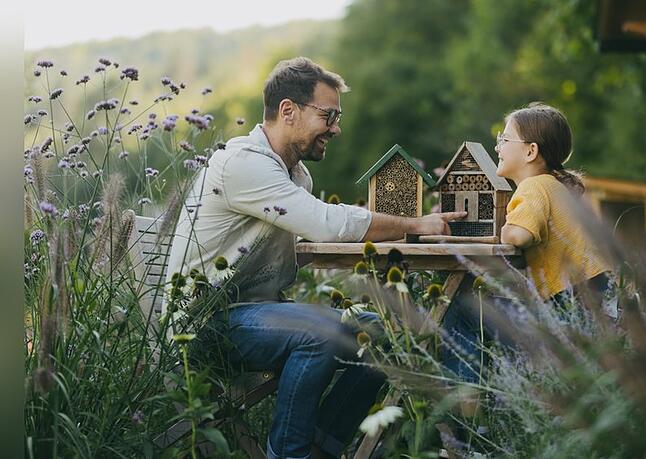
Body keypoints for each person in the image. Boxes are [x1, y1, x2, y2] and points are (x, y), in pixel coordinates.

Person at [165, 57, 466, 459]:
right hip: (204, 324)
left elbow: (317, 231)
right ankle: (289, 454)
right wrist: (415, 224)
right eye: (329, 115)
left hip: (256, 314)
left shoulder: (295, 174)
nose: (336, 128)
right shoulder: (244, 164)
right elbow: (326, 224)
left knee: (381, 331)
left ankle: (322, 448)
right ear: (288, 110)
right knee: (320, 333)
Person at [441, 102, 617, 383]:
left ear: (530, 151)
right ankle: (502, 396)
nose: (497, 147)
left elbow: (521, 235)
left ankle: (468, 404)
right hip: (591, 307)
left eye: (504, 139)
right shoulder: (553, 185)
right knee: (492, 307)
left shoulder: (534, 187)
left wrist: (506, 230)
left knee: (461, 310)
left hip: (569, 316)